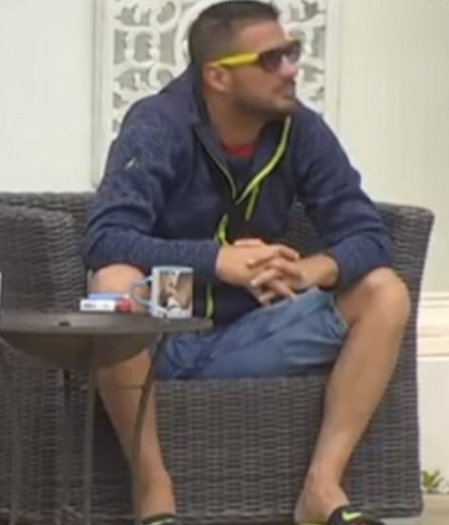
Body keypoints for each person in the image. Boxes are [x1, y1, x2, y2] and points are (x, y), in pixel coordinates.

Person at [83, 2, 407, 525]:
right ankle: (154, 491)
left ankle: (322, 488)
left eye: (292, 53)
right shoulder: (160, 124)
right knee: (114, 281)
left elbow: (369, 234)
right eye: (272, 59)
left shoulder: (300, 128)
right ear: (218, 76)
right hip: (162, 332)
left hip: (255, 332)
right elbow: (106, 237)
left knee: (384, 292)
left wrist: (312, 270)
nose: (291, 69)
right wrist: (217, 260)